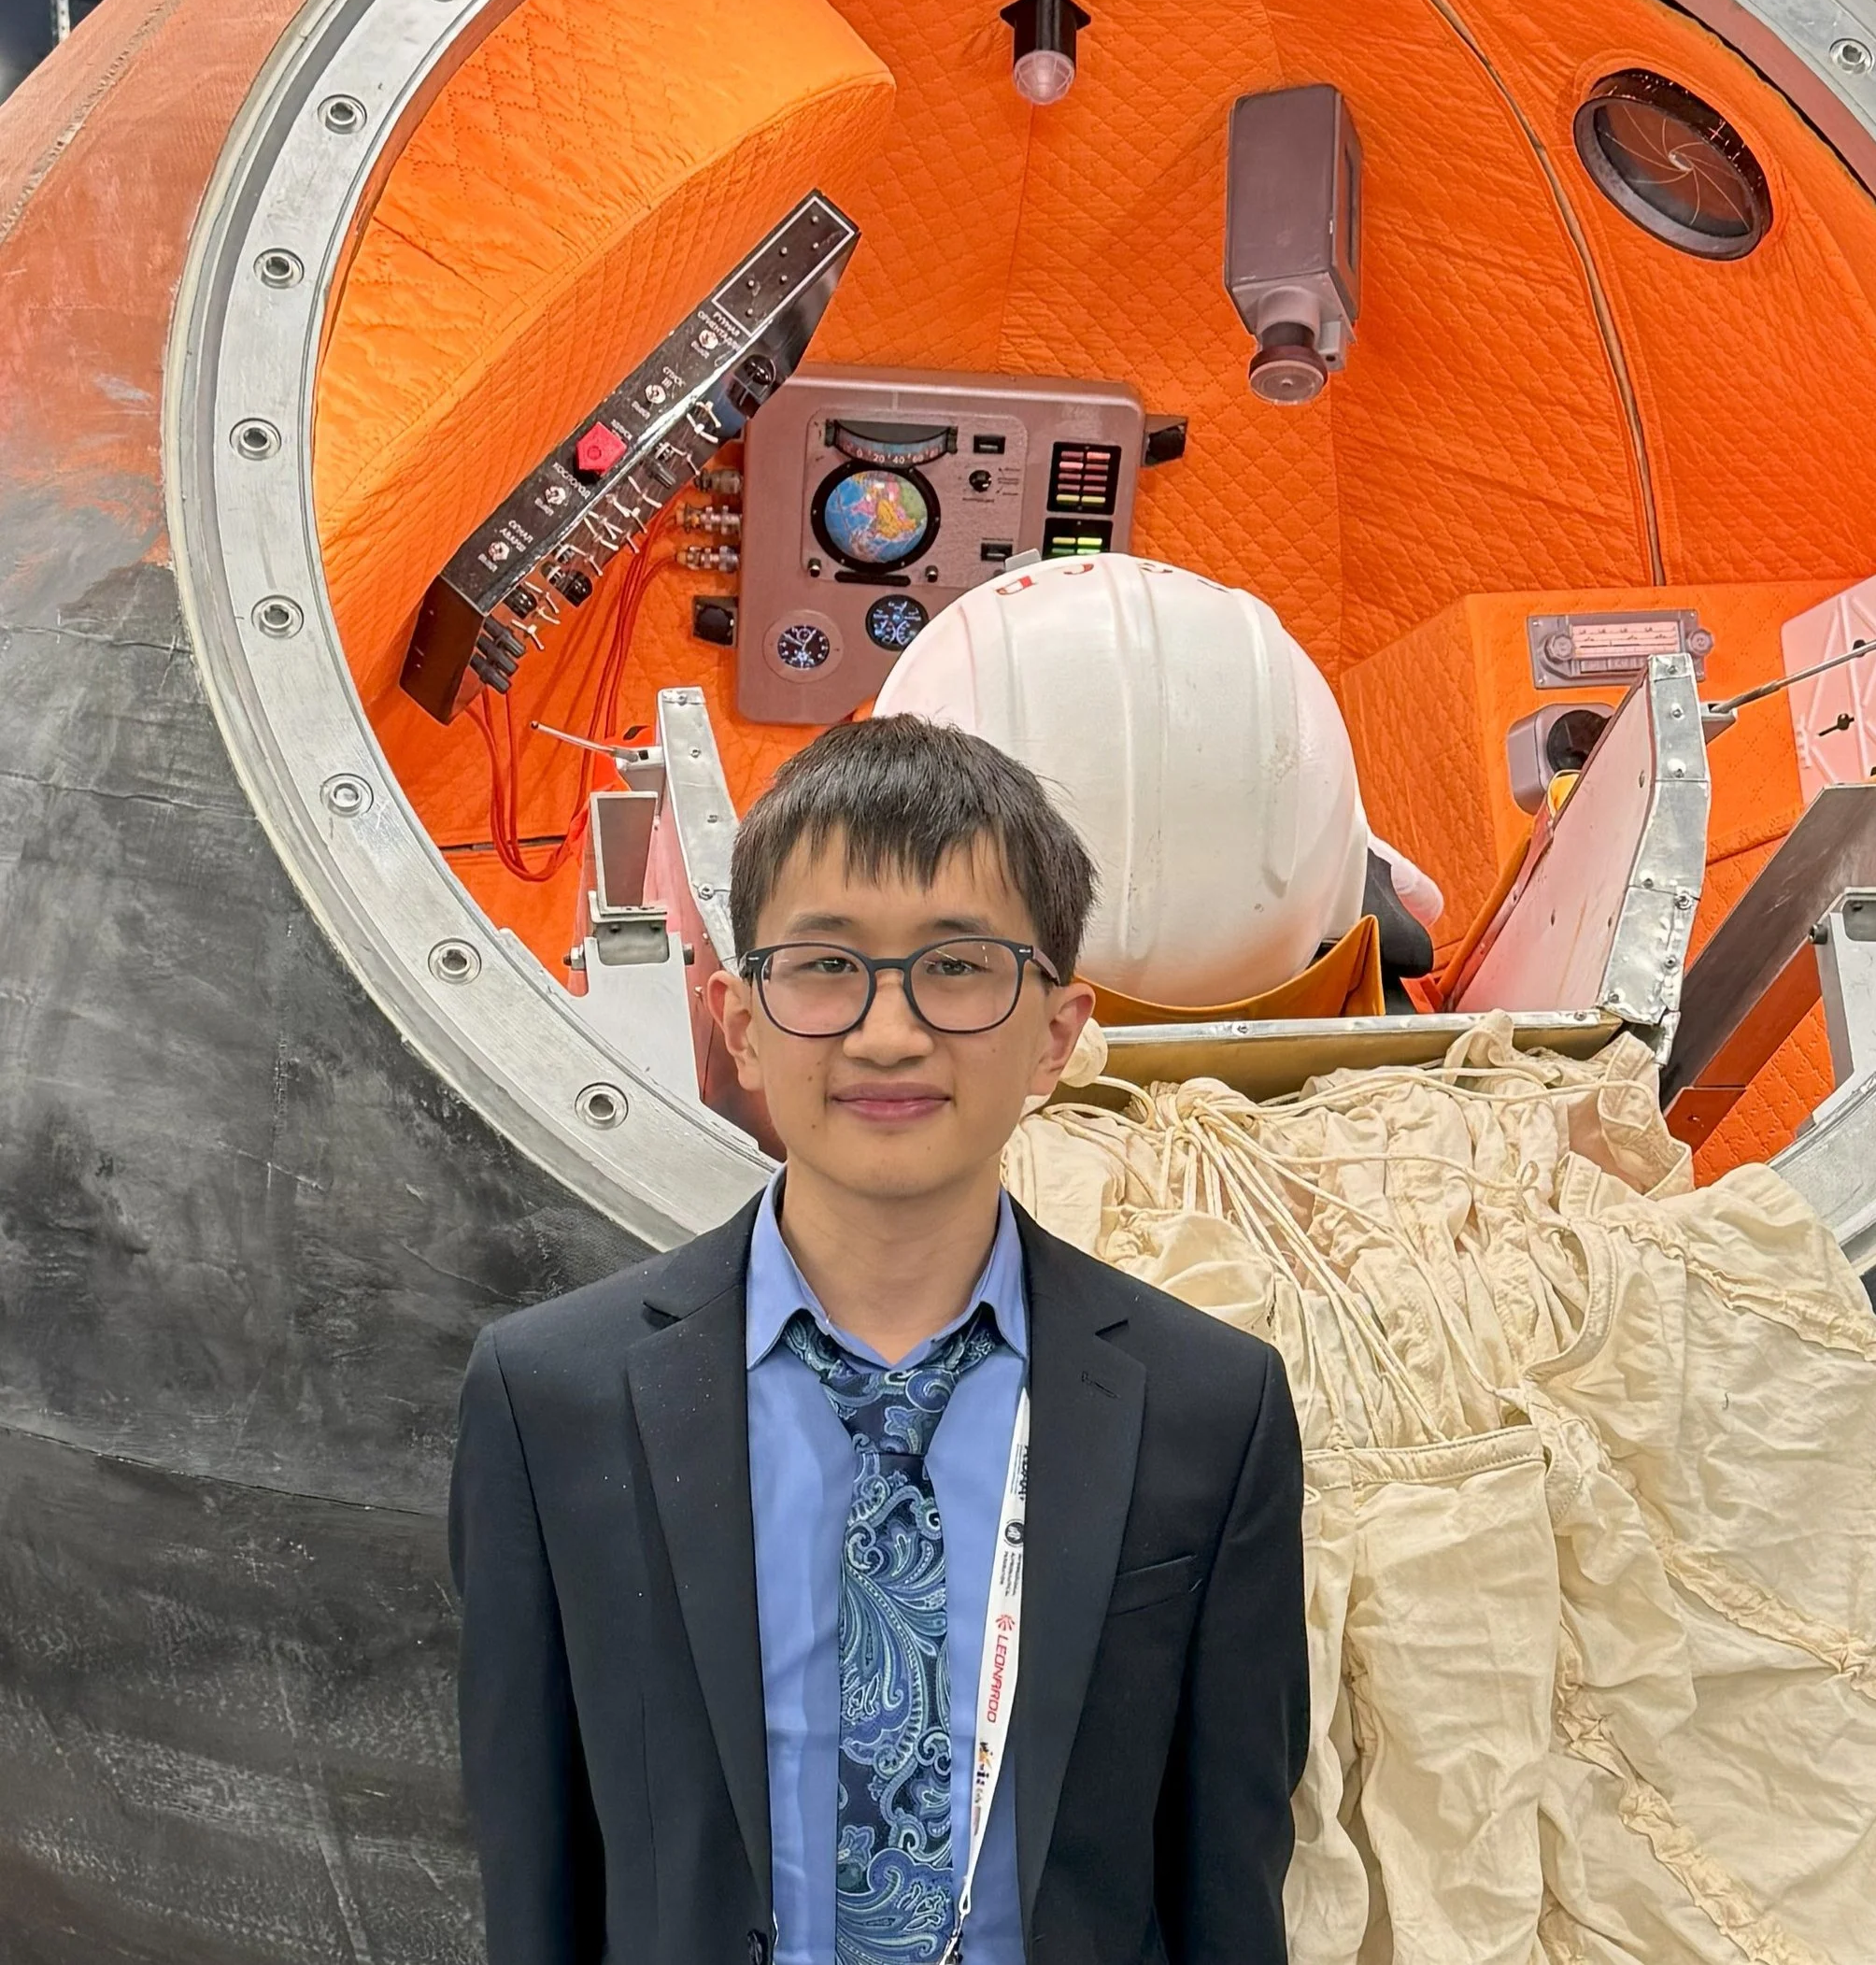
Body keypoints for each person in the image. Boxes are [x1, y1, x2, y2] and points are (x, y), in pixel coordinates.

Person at [448, 714, 1309, 1965]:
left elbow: (1228, 1876)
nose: (888, 1032)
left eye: (958, 968)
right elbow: (534, 1865)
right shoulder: (553, 1400)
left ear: (1057, 1034)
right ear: (740, 1021)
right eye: (825, 966)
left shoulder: (1205, 1409)